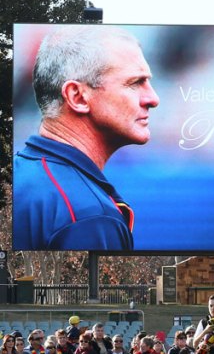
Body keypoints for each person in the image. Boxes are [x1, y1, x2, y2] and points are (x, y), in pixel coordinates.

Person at [14, 26, 160, 250]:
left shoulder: (15, 174)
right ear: (78, 97)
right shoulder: (89, 217)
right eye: (135, 83)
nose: (153, 98)